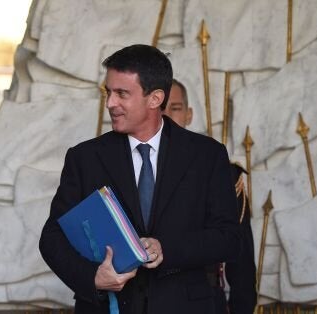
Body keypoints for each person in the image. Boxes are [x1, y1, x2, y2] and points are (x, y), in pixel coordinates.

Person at [39, 44, 241, 313]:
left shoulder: (207, 155)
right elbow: (52, 238)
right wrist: (93, 277)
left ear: (155, 98)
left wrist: (166, 248)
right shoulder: (84, 157)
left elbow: (227, 238)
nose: (111, 103)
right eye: (108, 92)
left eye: (122, 93)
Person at [164, 79, 257, 313]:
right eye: (160, 108)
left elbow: (241, 259)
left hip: (204, 301)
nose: (167, 116)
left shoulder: (221, 170)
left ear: (189, 114)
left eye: (175, 108)